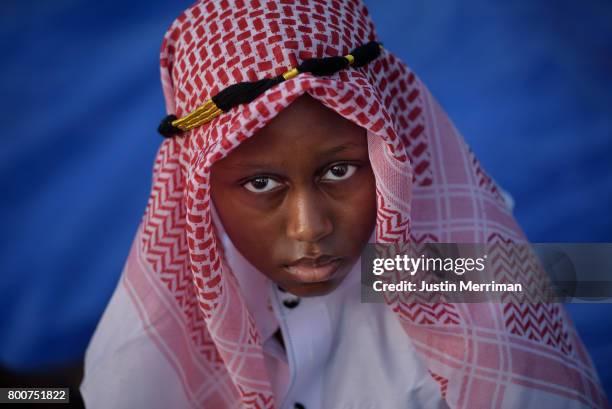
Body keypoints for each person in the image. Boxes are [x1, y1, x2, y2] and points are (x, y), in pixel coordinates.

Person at [81, 0, 608, 408]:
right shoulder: (152, 335)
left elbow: (577, 275)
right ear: (200, 189)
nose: (310, 227)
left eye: (340, 171)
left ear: (388, 156)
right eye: (261, 184)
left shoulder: (447, 269)